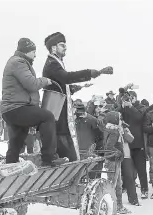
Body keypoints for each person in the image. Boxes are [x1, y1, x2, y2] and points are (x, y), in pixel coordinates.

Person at [42, 32, 112, 161]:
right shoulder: (52, 64)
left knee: (68, 151)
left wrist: (78, 87)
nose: (65, 48)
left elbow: (61, 85)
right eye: (62, 45)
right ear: (53, 48)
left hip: (60, 116)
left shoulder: (56, 63)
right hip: (57, 115)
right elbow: (66, 77)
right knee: (68, 154)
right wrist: (89, 73)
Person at [0, 38, 66, 166]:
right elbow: (31, 84)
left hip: (12, 109)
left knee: (17, 140)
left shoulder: (17, 62)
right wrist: (45, 80)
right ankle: (49, 157)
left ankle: (10, 165)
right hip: (16, 108)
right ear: (26, 51)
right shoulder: (18, 62)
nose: (35, 55)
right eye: (33, 52)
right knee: (47, 117)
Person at [119, 89, 149, 199]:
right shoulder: (124, 107)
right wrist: (122, 106)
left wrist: (131, 107)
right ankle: (126, 186)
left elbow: (139, 118)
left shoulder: (141, 107)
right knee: (127, 167)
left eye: (131, 98)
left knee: (141, 168)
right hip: (126, 142)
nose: (128, 100)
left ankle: (144, 189)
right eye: (127, 98)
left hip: (138, 142)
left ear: (135, 98)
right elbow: (117, 115)